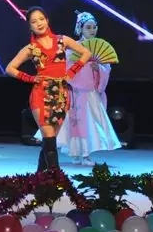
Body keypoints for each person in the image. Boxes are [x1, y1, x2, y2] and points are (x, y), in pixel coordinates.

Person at [5, 6, 92, 171]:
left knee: (49, 142)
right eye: (34, 21)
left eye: (41, 19)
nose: (39, 23)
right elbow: (10, 68)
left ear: (47, 20)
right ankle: (56, 178)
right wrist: (30, 78)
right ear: (30, 26)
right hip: (41, 94)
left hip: (61, 95)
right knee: (49, 139)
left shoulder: (62, 40)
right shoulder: (31, 49)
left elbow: (86, 53)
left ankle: (39, 178)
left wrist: (72, 72)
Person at [51, 11, 121, 165]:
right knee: (76, 124)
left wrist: (98, 68)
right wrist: (86, 66)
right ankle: (77, 154)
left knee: (90, 124)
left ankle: (86, 155)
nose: (92, 30)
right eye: (88, 27)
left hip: (91, 94)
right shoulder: (73, 49)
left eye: (94, 27)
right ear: (80, 29)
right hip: (76, 93)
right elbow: (68, 70)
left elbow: (106, 69)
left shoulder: (98, 49)